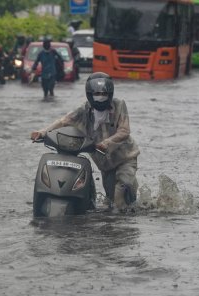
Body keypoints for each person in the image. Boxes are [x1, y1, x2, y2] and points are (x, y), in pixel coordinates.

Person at [30, 72, 140, 211]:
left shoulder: (119, 105)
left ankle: (125, 225)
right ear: (89, 94)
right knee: (111, 201)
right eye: (97, 93)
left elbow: (124, 131)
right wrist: (43, 132)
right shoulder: (84, 110)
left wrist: (106, 143)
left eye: (104, 93)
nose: (100, 97)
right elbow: (64, 121)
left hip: (125, 157)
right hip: (105, 164)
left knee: (123, 188)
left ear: (110, 93)